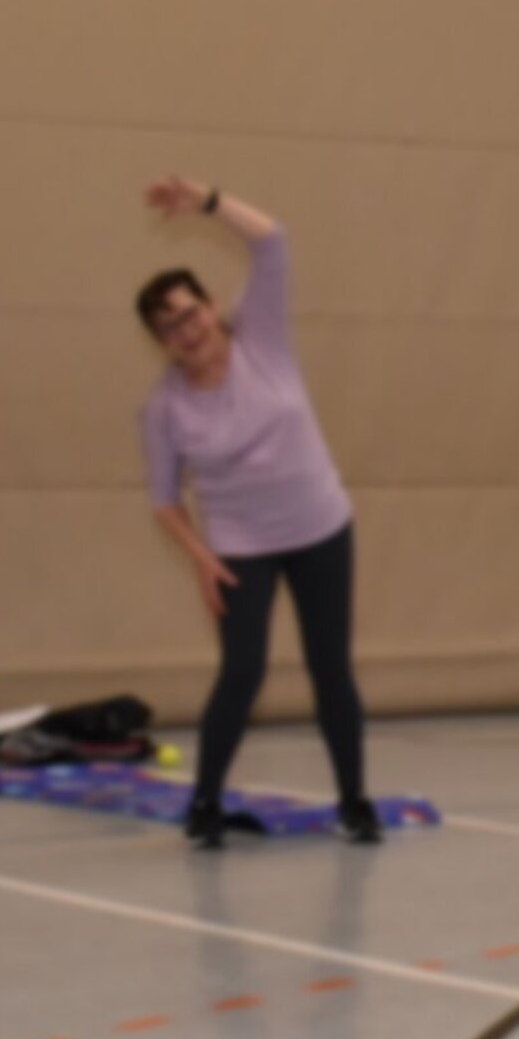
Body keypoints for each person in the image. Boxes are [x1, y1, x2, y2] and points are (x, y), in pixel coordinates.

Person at [135, 175, 378, 848]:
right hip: (240, 544)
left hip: (320, 525)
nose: (184, 331)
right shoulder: (164, 409)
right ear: (161, 342)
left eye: (188, 313)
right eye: (167, 328)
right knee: (242, 671)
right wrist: (203, 559)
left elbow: (273, 243)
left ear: (211, 307)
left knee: (331, 667)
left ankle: (354, 801)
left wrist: (207, 202)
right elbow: (164, 500)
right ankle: (204, 805)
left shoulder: (262, 339)